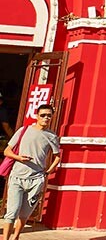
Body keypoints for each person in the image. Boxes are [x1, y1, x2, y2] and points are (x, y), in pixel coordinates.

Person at [2, 103, 60, 240]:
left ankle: (15, 237)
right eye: (43, 115)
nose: (46, 118)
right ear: (37, 116)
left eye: (49, 116)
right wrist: (19, 158)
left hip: (36, 180)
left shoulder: (52, 136)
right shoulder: (24, 130)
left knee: (24, 214)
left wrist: (47, 172)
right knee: (11, 212)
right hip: (17, 177)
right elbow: (7, 151)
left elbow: (57, 157)